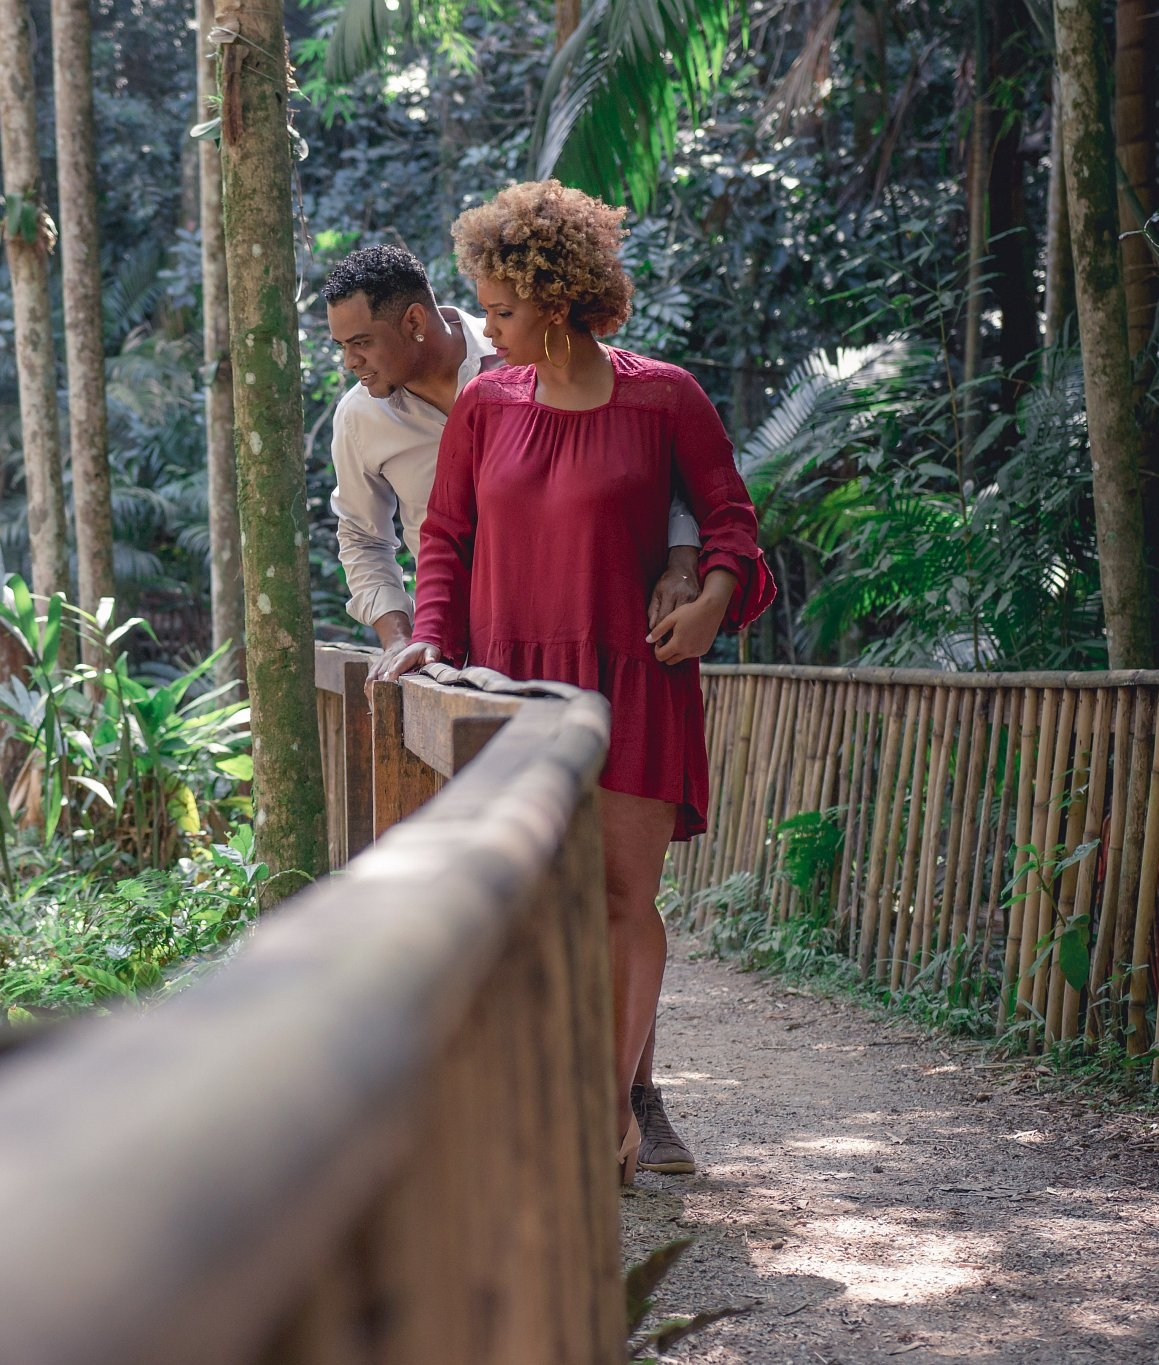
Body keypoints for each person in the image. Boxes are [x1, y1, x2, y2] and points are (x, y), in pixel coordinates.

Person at [375, 182, 775, 1184]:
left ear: (558, 301)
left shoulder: (665, 397)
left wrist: (713, 597)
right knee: (522, 899)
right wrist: (429, 639)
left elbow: (730, 519)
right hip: (509, 689)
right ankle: (534, 1099)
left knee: (621, 899)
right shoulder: (485, 404)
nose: (487, 330)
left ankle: (610, 1114)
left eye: (502, 310)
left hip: (632, 682)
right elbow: (445, 537)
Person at [323, 245, 704, 662]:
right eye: (342, 345)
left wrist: (683, 561)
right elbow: (365, 537)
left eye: (361, 342)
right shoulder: (359, 417)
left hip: (594, 624)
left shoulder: (529, 348)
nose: (349, 361)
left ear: (413, 321)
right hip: (456, 648)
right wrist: (400, 639)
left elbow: (641, 469)